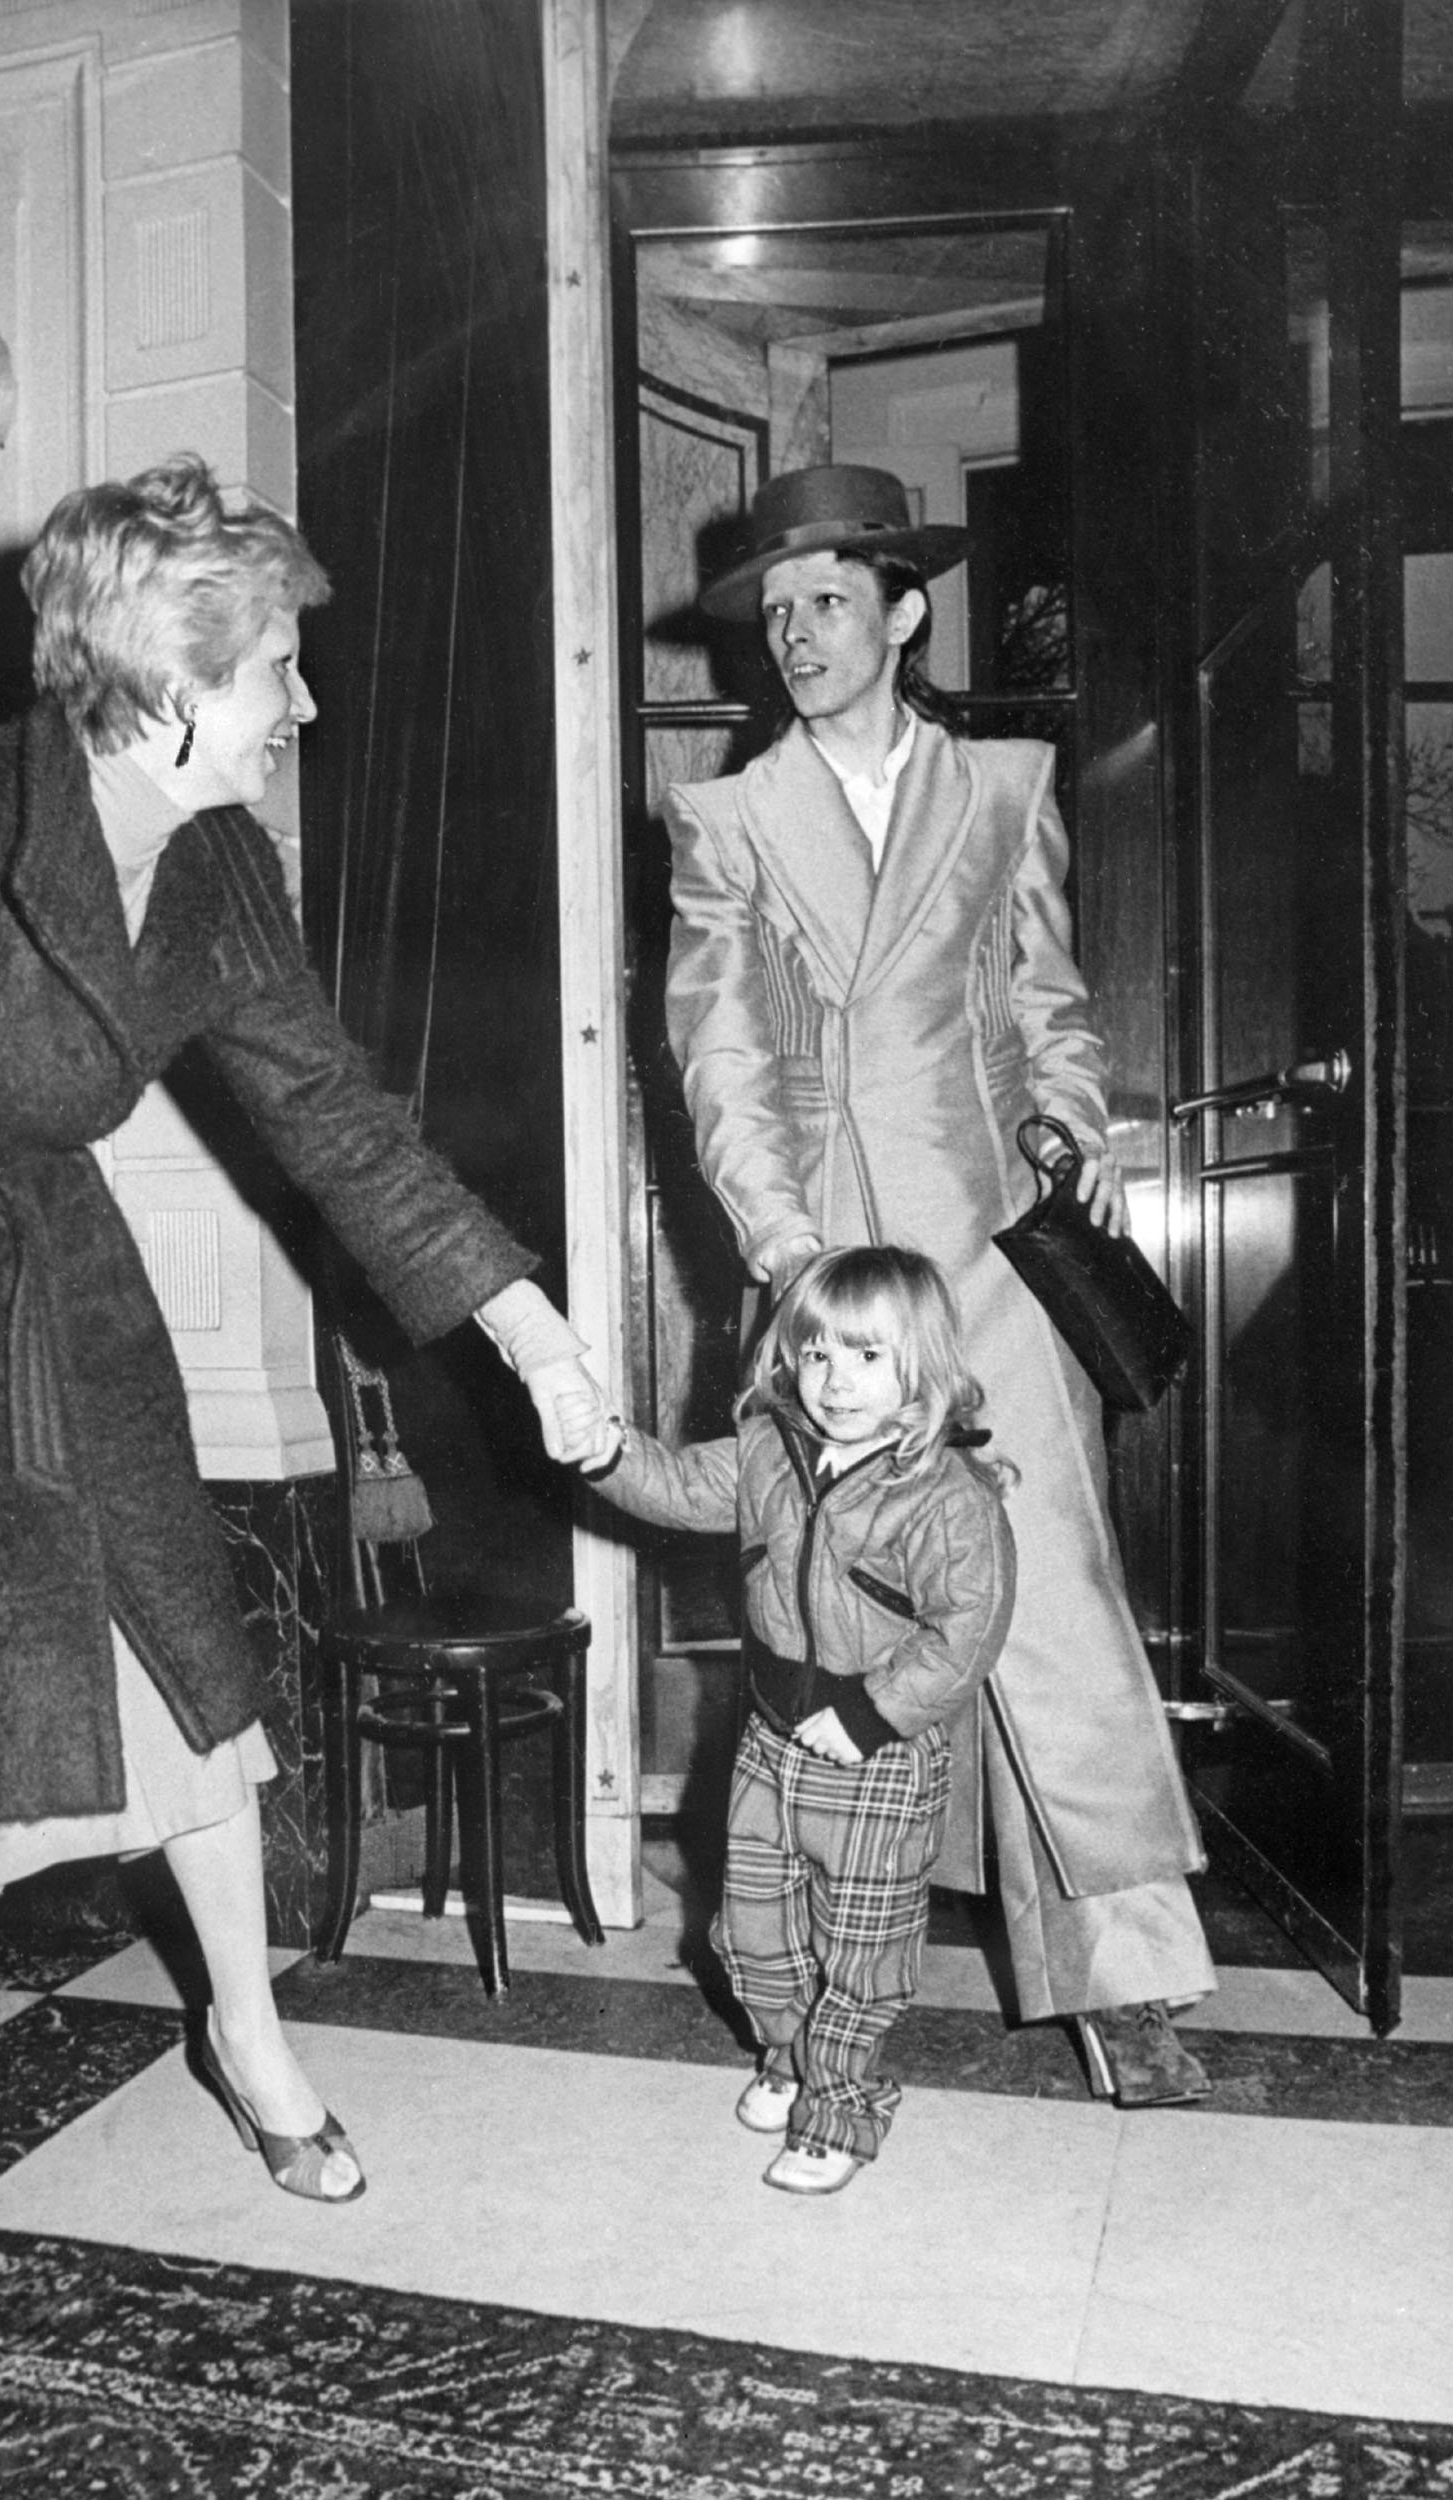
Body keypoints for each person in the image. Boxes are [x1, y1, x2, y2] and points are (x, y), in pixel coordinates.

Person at [0, 453, 610, 2302]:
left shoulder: (219, 865)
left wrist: (527, 1326)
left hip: (56, 1283)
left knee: (189, 1661)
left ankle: (241, 2034)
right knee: (3, 1719)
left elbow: (334, 1115)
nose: (302, 708)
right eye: (278, 674)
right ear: (173, 682)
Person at [661, 462, 1216, 2107]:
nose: (796, 634)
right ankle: (815, 1990)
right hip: (826, 1275)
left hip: (984, 1260)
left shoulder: (998, 788)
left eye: (826, 601)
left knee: (1048, 1600)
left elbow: (1040, 997)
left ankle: (1121, 1983)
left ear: (903, 614)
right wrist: (780, 1247)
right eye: (774, 613)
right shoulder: (726, 819)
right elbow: (715, 1051)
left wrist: (1066, 1112)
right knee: (833, 1615)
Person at [579, 1246, 1015, 2193]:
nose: (837, 1382)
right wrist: (607, 1451)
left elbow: (966, 1630)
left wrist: (869, 1714)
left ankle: (838, 2108)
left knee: (861, 1947)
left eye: (867, 1358)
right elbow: (680, 1486)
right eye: (816, 1356)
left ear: (924, 1367)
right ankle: (788, 2056)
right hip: (770, 1739)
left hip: (876, 1755)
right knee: (750, 1930)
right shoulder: (770, 1451)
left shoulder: (947, 1497)